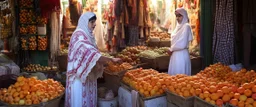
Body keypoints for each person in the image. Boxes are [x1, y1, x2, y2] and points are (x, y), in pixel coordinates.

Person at [65, 12, 121, 107]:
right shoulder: (78, 36)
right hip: (79, 80)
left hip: (87, 77)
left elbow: (93, 53)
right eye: (91, 22)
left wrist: (104, 60)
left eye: (94, 22)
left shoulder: (87, 35)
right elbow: (90, 53)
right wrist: (111, 59)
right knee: (80, 102)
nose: (94, 24)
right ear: (84, 22)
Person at [167, 8, 193, 76]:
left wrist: (171, 49)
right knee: (174, 80)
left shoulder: (186, 26)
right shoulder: (177, 28)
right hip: (174, 56)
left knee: (181, 80)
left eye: (179, 16)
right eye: (176, 16)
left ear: (184, 15)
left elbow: (183, 43)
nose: (177, 18)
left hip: (181, 56)